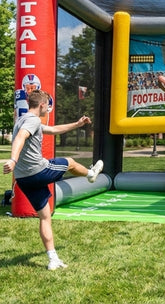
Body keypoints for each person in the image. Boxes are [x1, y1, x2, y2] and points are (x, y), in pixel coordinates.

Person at [3, 89, 104, 270]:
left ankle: (53, 259)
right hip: (38, 171)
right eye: (47, 105)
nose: (48, 109)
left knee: (45, 217)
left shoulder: (23, 120)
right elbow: (20, 138)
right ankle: (90, 175)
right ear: (41, 105)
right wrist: (12, 159)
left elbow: (53, 129)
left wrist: (77, 124)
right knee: (70, 162)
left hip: (24, 179)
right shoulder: (32, 121)